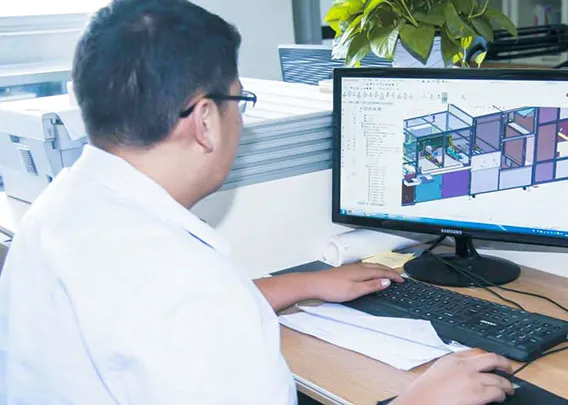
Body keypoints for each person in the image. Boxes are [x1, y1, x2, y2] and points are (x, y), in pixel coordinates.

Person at [0, 1, 514, 404]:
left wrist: (305, 284)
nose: (241, 124)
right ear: (205, 120)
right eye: (238, 101)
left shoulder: (65, 206)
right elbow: (184, 306)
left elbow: (148, 317)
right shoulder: (183, 282)